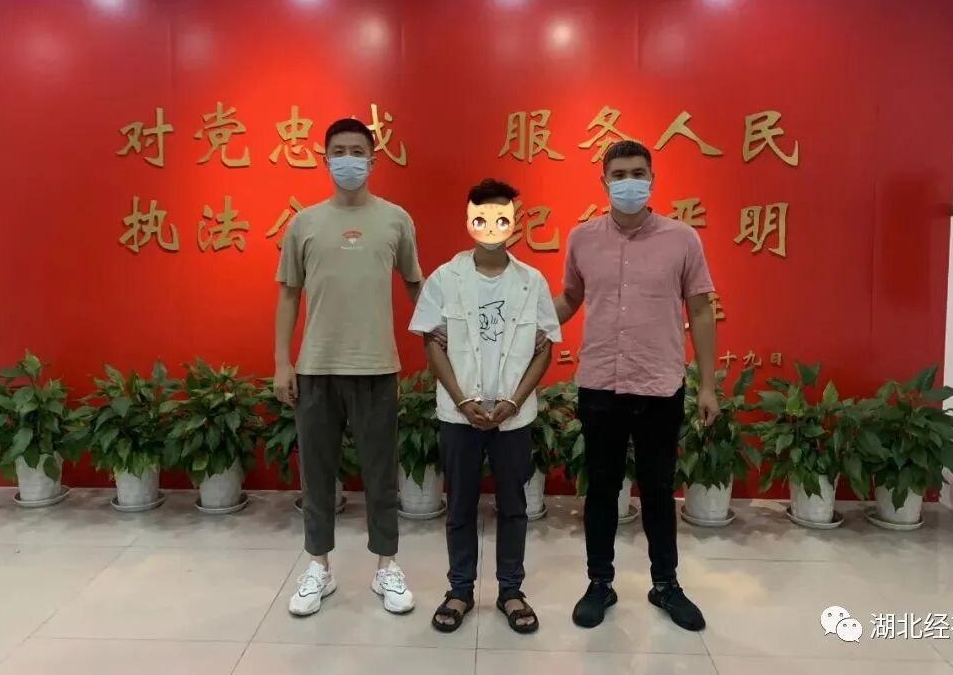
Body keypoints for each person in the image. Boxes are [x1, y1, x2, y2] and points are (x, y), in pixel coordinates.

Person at [556, 140, 719, 632]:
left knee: (658, 489)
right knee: (602, 488)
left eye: (638, 173)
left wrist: (707, 385)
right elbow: (569, 299)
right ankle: (599, 583)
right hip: (600, 384)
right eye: (620, 174)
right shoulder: (582, 238)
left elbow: (701, 309)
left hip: (658, 383)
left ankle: (665, 584)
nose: (630, 182)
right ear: (603, 181)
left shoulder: (682, 239)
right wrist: (524, 323)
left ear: (652, 178)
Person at [274, 117, 423, 618]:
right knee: (317, 477)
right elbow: (288, 295)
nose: (349, 160)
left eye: (357, 151)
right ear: (325, 158)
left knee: (381, 477)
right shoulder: (305, 223)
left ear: (373, 159)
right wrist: (282, 362)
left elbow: (415, 284)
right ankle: (319, 567)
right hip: (316, 368)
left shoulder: (396, 220)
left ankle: (386, 567)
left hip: (377, 368)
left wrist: (443, 336)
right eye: (339, 150)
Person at [409, 178, 561, 635]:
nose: (492, 226)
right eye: (482, 217)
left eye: (501, 218)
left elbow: (544, 348)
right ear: (469, 221)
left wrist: (515, 400)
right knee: (460, 505)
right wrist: (462, 399)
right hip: (460, 416)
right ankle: (459, 589)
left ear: (514, 223)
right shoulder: (445, 279)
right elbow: (432, 343)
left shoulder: (531, 282)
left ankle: (511, 590)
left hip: (515, 417)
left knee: (514, 505)